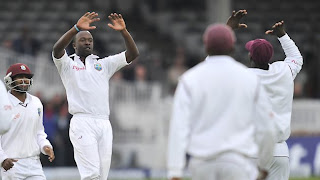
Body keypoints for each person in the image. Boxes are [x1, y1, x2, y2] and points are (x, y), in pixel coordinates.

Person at [167, 17, 276, 180]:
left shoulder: (189, 79)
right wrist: (265, 166)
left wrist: (175, 171)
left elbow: (178, 127)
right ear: (233, 46)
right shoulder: (249, 79)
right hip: (238, 162)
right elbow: (267, 128)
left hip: (202, 163)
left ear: (205, 46)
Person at [52, 12, 139, 179]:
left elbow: (133, 54)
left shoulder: (103, 64)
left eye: (90, 40)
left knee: (101, 176)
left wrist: (124, 32)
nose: (87, 43)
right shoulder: (67, 65)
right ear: (75, 46)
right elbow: (56, 49)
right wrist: (76, 28)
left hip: (104, 123)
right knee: (91, 174)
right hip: (82, 121)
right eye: (83, 40)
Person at [245, 21, 303, 180]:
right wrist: (282, 35)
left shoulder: (241, 77)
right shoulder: (284, 72)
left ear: (251, 56)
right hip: (279, 153)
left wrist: (227, 30)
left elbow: (214, 65)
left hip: (251, 150)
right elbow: (296, 58)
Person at [0, 63, 55, 179]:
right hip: (11, 164)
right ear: (10, 80)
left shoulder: (36, 102)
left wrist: (45, 146)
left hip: (34, 163)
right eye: (20, 77)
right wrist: (2, 158)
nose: (24, 80)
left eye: (27, 77)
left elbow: (39, 131)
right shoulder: (3, 103)